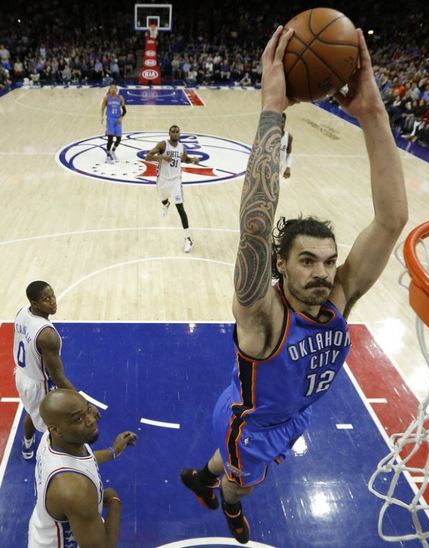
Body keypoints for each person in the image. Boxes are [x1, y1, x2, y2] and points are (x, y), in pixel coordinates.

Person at [179, 25, 407, 544]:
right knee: (242, 482)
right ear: (279, 265)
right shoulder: (263, 315)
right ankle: (227, 503)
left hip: (279, 413)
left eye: (328, 261)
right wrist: (272, 110)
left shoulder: (337, 297)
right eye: (307, 261)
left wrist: (373, 113)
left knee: (226, 456)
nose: (323, 272)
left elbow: (391, 220)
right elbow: (255, 228)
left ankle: (201, 475)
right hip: (253, 429)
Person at [28, 389, 137, 547]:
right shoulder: (75, 491)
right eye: (78, 419)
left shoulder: (51, 439)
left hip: (45, 530)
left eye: (88, 409)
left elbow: (81, 461)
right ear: (56, 429)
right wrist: (114, 503)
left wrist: (112, 452)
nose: (91, 420)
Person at [13, 281, 76, 460]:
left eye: (52, 295)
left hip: (21, 375)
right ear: (34, 303)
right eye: (46, 299)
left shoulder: (22, 312)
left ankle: (27, 442)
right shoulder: (47, 335)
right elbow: (58, 377)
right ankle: (54, 461)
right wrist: (82, 403)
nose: (53, 301)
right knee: (54, 425)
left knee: (32, 412)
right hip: (39, 385)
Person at [145, 125, 201, 253]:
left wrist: (193, 160)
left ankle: (188, 239)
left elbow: (185, 159)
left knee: (180, 208)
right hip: (163, 179)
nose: (175, 133)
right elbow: (148, 157)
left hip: (176, 180)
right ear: (169, 133)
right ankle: (166, 204)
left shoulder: (181, 147)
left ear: (179, 133)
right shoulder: (163, 145)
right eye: (173, 132)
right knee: (163, 199)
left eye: (177, 132)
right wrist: (161, 157)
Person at [100, 83, 126, 163]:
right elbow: (102, 108)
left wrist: (121, 117)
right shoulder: (106, 98)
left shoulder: (120, 98)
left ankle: (113, 151)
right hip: (110, 120)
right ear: (109, 89)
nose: (113, 89)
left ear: (117, 89)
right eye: (112, 88)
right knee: (110, 139)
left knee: (119, 139)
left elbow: (124, 111)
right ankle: (107, 156)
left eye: (114, 88)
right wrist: (102, 116)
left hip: (118, 120)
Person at [280, 113, 293, 179]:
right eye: (279, 122)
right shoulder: (269, 134)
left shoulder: (288, 137)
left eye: (283, 122)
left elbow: (289, 153)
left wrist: (288, 167)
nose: (281, 124)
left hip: (277, 170)